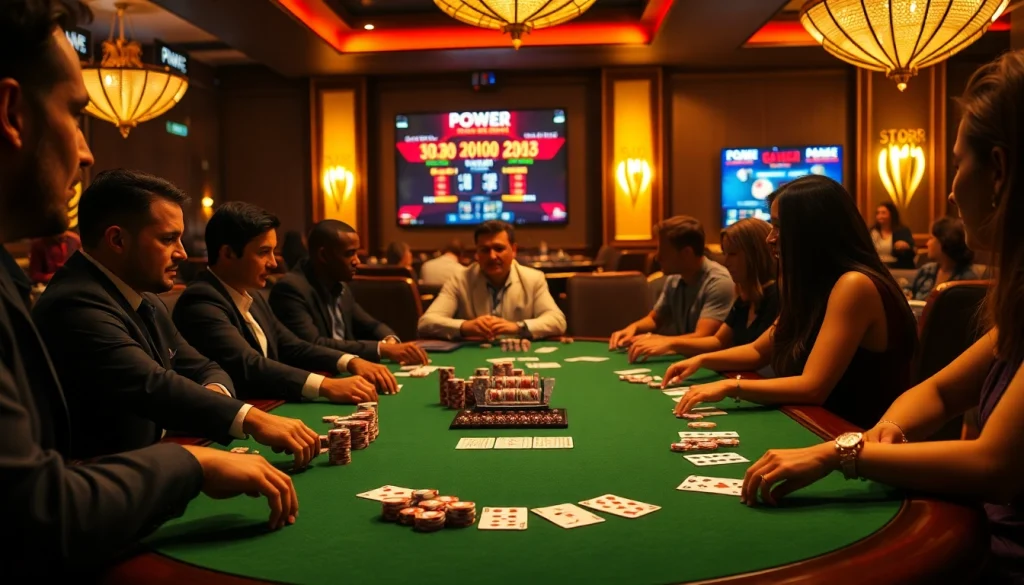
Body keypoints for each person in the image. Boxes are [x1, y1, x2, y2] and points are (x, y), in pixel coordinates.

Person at [0, 1, 296, 576]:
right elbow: (35, 514)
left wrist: (212, 408)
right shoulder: (75, 301)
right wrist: (191, 464)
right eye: (75, 113)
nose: (87, 153)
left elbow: (194, 365)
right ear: (13, 113)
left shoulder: (34, 282)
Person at [738, 50, 1024, 583]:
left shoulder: (852, 284)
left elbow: (996, 467)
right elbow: (938, 394)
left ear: (1001, 171)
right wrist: (888, 429)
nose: (951, 188)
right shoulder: (1019, 306)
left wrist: (842, 454)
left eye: (959, 163)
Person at [33, 169, 320, 466]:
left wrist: (213, 396)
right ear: (117, 240)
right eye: (168, 239)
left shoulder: (144, 296)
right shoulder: (74, 303)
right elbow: (154, 385)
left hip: (154, 460)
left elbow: (205, 367)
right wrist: (251, 419)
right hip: (101, 484)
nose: (182, 253)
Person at [664, 175, 918, 430]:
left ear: (811, 231)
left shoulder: (854, 285)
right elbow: (757, 351)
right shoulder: (814, 287)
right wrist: (701, 360)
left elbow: (812, 387)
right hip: (816, 428)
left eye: (778, 227)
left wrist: (731, 386)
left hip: (854, 441)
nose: (769, 238)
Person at [173, 202, 387, 402]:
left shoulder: (253, 296)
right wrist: (326, 386)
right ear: (227, 253)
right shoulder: (201, 301)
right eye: (264, 252)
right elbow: (250, 365)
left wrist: (350, 361)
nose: (273, 263)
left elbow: (293, 346)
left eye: (273, 252)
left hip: (267, 405)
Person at [269, 219, 429, 365]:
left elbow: (372, 325)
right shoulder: (291, 289)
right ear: (323, 255)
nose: (357, 262)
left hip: (345, 370)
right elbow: (313, 345)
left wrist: (389, 340)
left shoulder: (341, 286)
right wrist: (382, 349)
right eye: (349, 254)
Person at [628, 218, 777, 363]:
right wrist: (667, 342)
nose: (726, 262)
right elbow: (718, 341)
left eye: (732, 254)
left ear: (754, 255)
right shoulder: (744, 298)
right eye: (725, 254)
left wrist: (676, 346)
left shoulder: (778, 296)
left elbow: (756, 353)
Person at [417, 220, 566, 340]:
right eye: (485, 250)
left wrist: (517, 327)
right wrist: (465, 326)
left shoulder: (533, 279)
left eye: (499, 249)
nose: (492, 256)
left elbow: (557, 321)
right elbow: (426, 322)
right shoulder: (459, 279)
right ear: (477, 253)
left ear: (513, 250)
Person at [608, 215, 735, 352]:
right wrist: (633, 328)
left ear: (686, 253)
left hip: (717, 367)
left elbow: (703, 337)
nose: (657, 257)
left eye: (663, 251)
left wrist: (659, 340)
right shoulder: (674, 278)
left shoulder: (719, 282)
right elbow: (655, 319)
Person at [904, 216, 978, 301]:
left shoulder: (966, 279)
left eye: (931, 238)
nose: (927, 243)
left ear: (944, 242)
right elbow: (909, 290)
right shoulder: (926, 270)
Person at [870, 201, 916, 268]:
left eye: (883, 213)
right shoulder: (872, 231)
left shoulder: (902, 231)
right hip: (877, 267)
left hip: (897, 267)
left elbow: (911, 252)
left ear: (892, 214)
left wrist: (905, 246)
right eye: (878, 213)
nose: (880, 216)